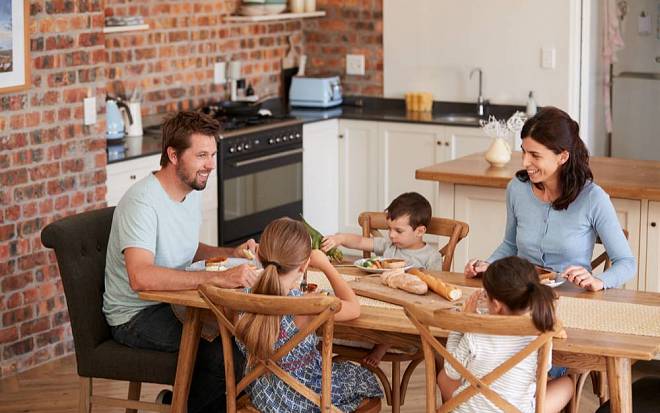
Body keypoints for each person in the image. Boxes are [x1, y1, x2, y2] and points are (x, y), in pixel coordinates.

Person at [103, 111, 258, 413]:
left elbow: (187, 249)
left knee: (246, 335)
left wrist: (232, 254)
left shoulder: (190, 189)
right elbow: (141, 278)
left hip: (174, 301)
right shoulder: (142, 203)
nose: (210, 165)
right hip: (136, 314)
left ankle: (179, 404)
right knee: (222, 353)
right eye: (201, 155)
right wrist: (217, 278)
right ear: (173, 155)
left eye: (212, 154)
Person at [465, 107, 635, 291]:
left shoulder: (593, 198)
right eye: (524, 152)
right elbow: (510, 244)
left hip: (573, 297)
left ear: (562, 156)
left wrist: (598, 281)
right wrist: (488, 265)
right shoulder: (517, 188)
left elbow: (626, 262)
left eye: (535, 155)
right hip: (521, 294)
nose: (524, 162)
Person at [235, 218, 383, 412]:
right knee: (365, 377)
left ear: (259, 256)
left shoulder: (241, 298)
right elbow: (354, 308)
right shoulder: (307, 305)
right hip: (305, 398)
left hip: (263, 396)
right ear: (304, 265)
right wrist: (325, 265)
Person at [438, 256, 574, 413]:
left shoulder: (476, 333)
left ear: (495, 305)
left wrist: (462, 324)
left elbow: (450, 371)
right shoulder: (542, 333)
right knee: (566, 384)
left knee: (445, 377)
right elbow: (544, 370)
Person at [321, 191, 442, 366]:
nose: (391, 235)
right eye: (389, 229)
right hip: (378, 295)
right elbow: (360, 242)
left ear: (420, 231)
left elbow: (435, 287)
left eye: (398, 231)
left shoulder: (431, 257)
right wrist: (340, 238)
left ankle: (383, 344)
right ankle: (347, 335)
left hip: (405, 308)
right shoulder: (390, 246)